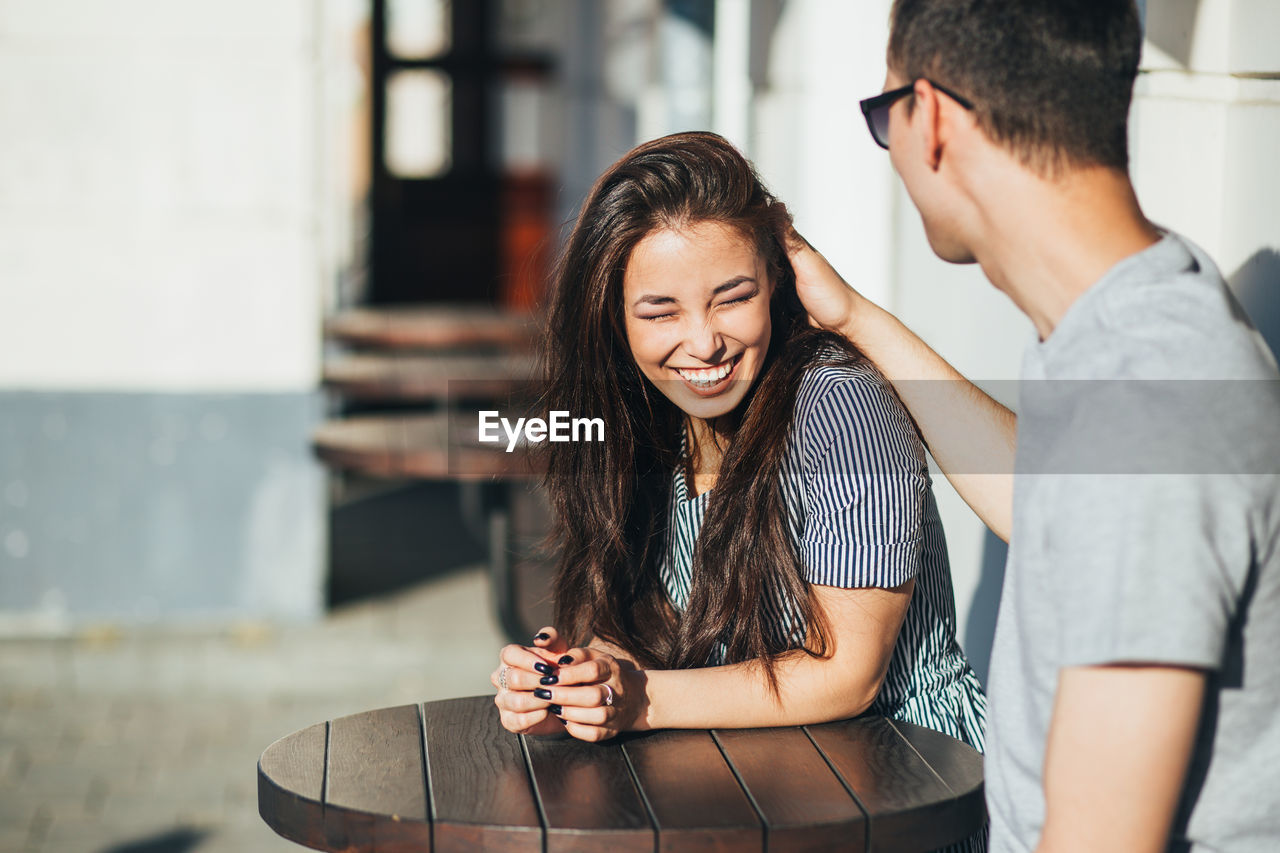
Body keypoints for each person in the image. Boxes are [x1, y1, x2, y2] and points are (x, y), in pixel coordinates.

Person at [788, 1, 1280, 851]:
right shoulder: (1130, 323)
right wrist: (854, 317)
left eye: (885, 117)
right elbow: (1051, 500)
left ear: (931, 117)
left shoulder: (1145, 409)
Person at [489, 133, 987, 794]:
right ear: (614, 316)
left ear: (776, 279)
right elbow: (653, 637)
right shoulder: (646, 418)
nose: (703, 342)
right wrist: (577, 679)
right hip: (745, 789)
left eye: (732, 297)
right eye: (660, 311)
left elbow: (847, 673)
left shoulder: (839, 405)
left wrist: (643, 699)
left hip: (903, 790)